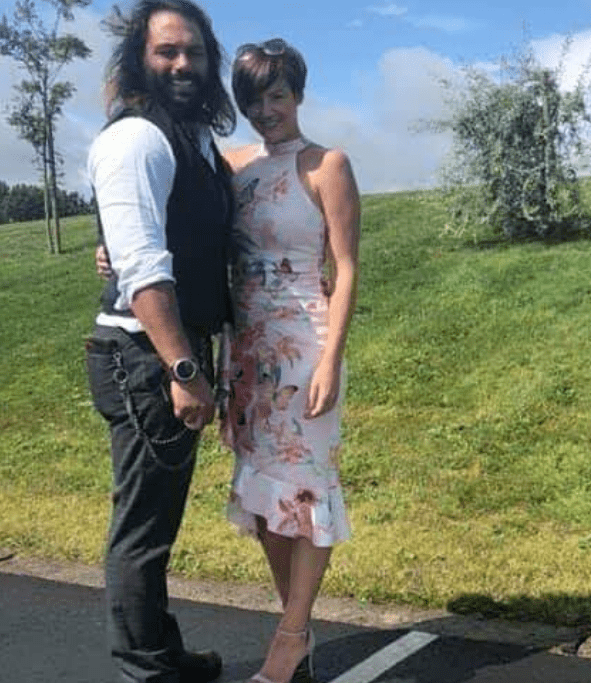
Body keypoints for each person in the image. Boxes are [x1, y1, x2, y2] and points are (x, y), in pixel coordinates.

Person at [83, 1, 237, 682]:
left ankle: (161, 652)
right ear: (138, 59)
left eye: (195, 52)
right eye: (167, 51)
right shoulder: (137, 139)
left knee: (157, 523)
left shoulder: (193, 139)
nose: (182, 64)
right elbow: (145, 266)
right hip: (146, 359)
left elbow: (161, 236)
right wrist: (183, 367)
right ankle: (144, 669)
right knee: (142, 530)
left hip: (167, 353)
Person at [221, 38, 361, 683]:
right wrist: (107, 253)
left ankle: (290, 637)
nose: (266, 109)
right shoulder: (233, 166)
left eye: (277, 95)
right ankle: (295, 632)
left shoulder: (326, 164)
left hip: (304, 347)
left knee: (305, 490)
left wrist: (331, 358)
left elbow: (347, 266)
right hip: (246, 350)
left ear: (298, 94)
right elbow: (188, 232)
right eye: (253, 98)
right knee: (266, 497)